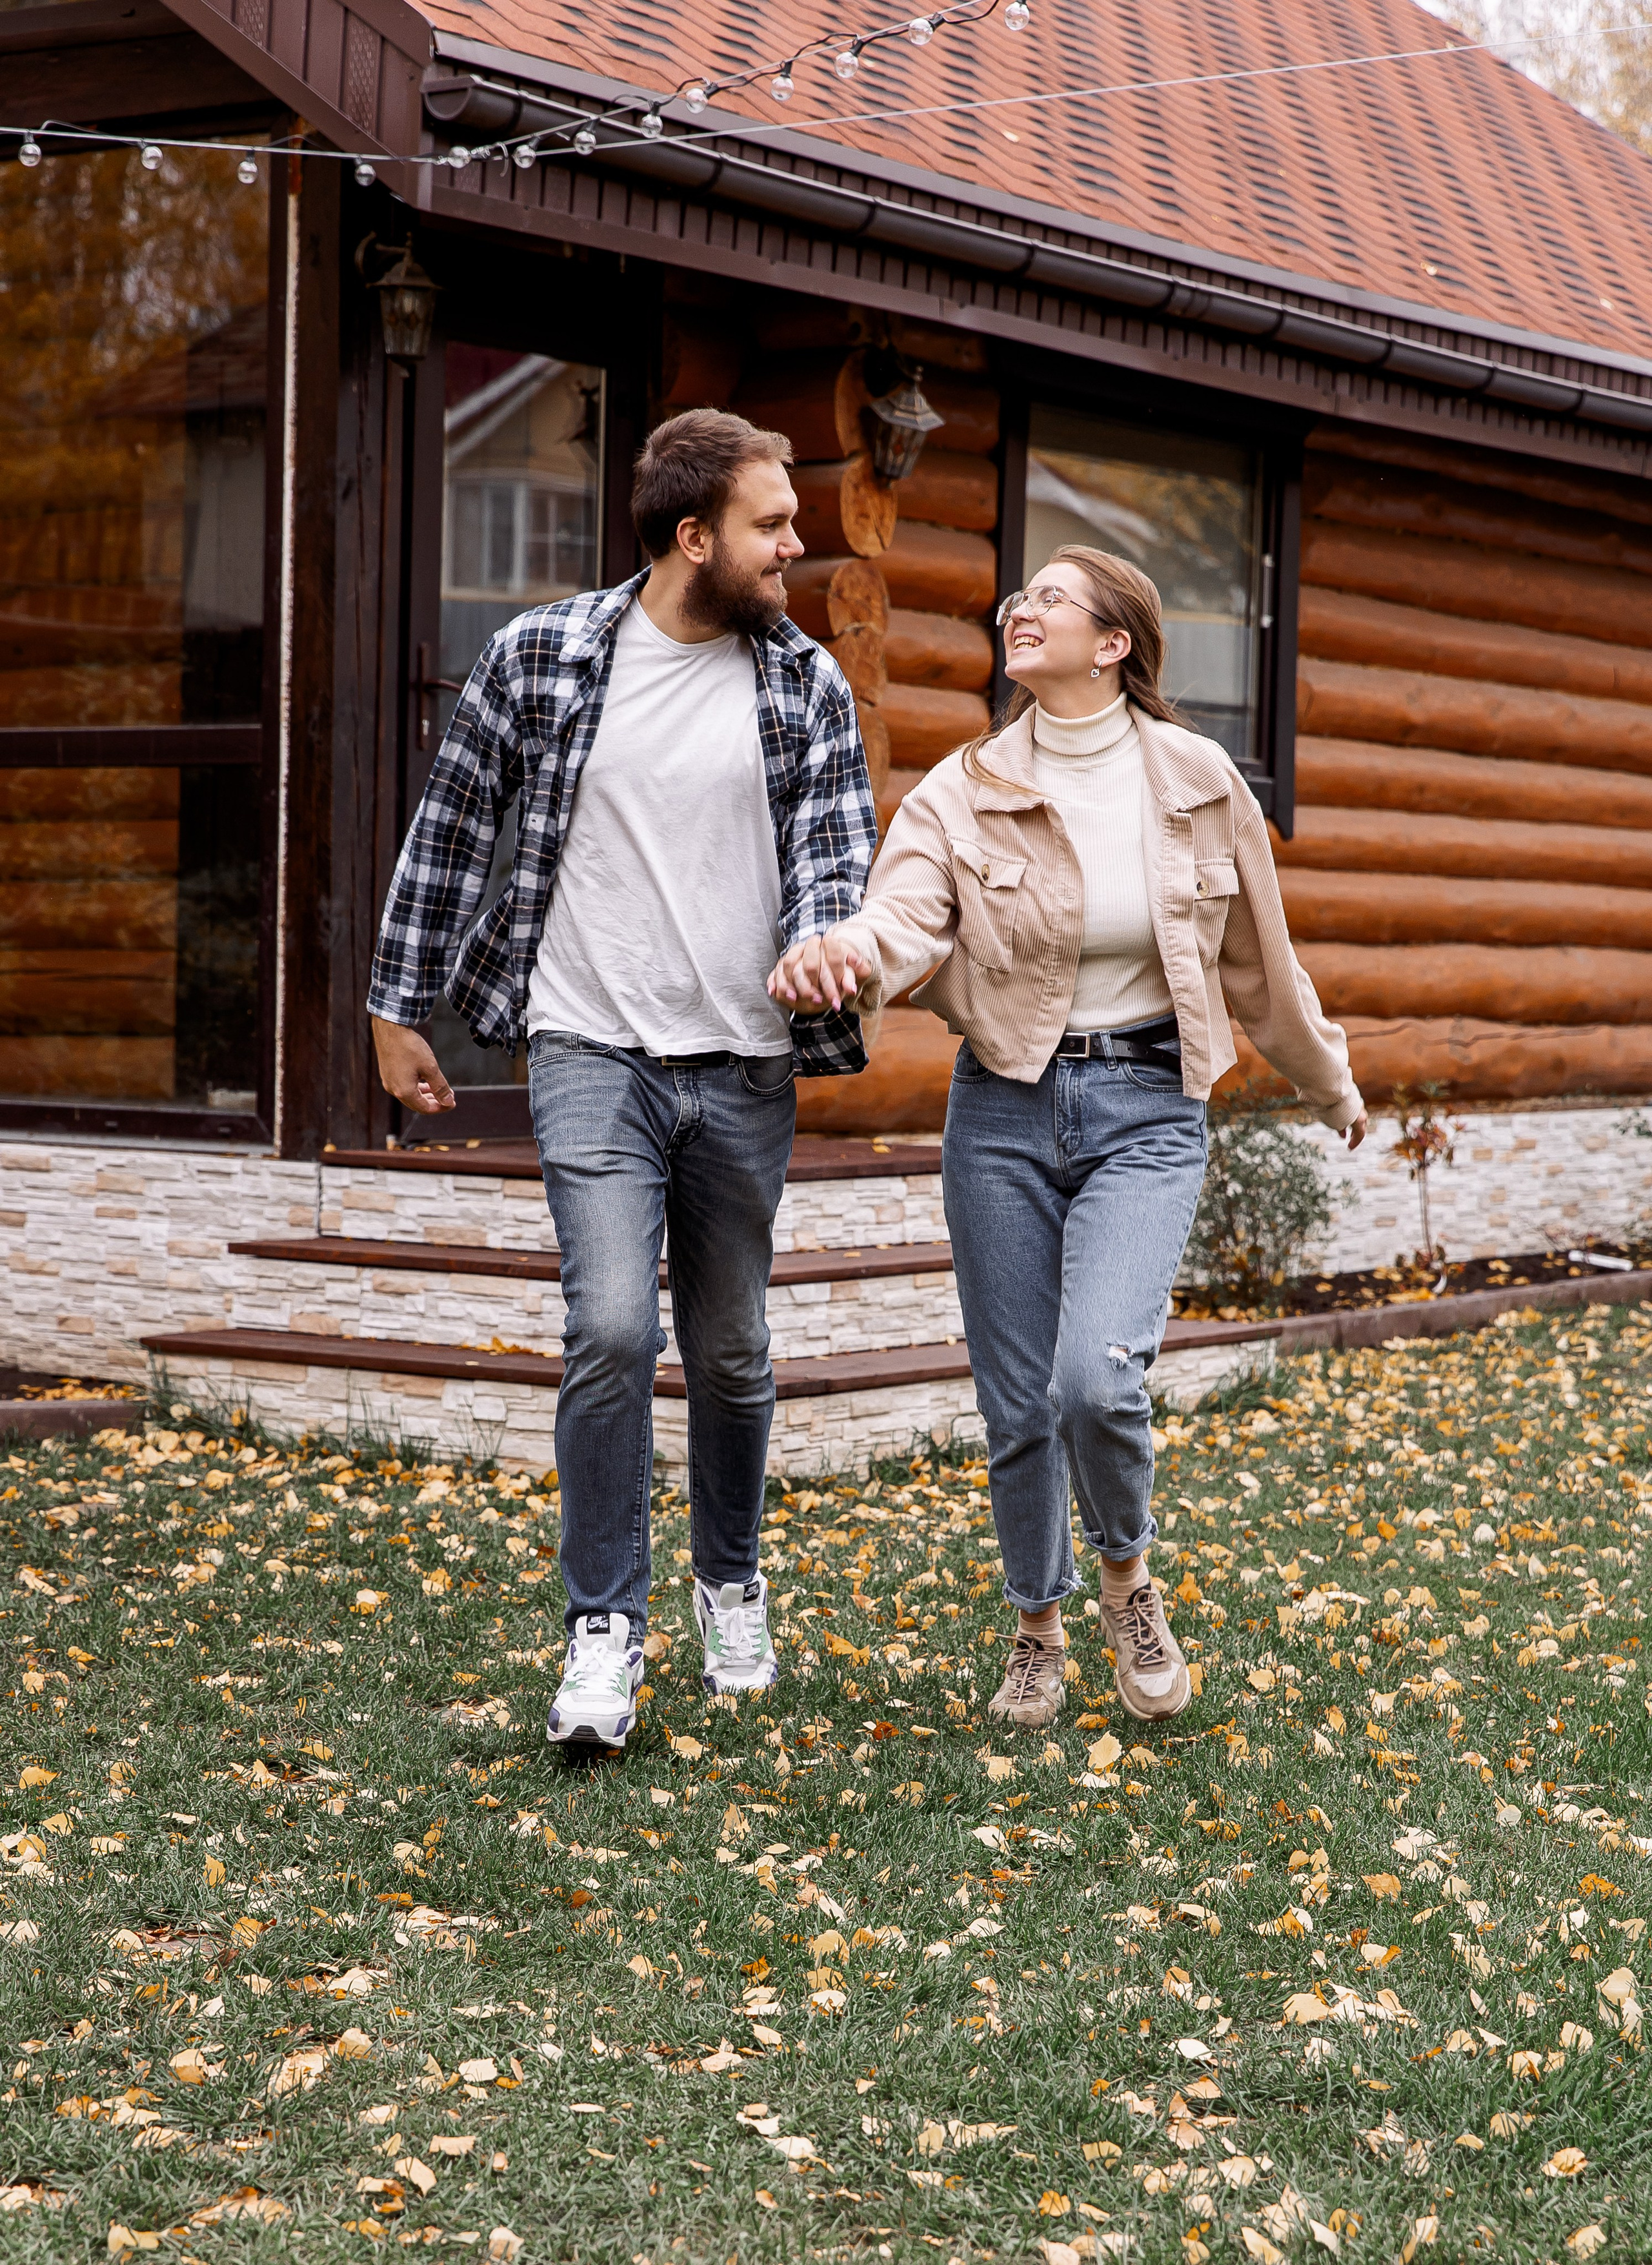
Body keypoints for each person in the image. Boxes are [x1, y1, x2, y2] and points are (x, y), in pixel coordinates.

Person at [769, 544, 1367, 1731]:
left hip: (1150, 1106)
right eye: (1017, 593)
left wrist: (1330, 1083)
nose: (1016, 607)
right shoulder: (966, 784)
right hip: (1002, 1108)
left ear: (1115, 644)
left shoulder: (1198, 780)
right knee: (1019, 1403)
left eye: (1048, 596)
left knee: (1096, 1375)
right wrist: (851, 954)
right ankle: (1037, 1630)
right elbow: (905, 914)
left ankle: (1128, 1581)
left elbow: (1263, 965)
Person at [368, 409, 876, 1754]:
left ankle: (727, 1579)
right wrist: (392, 1007)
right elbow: (449, 827)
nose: (794, 543)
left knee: (729, 1348)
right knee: (606, 1328)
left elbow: (835, 852)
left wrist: (826, 939)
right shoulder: (542, 656)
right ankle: (605, 1626)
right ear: (689, 535)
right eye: (771, 524)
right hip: (588, 1046)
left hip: (740, 1066)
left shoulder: (802, 683)